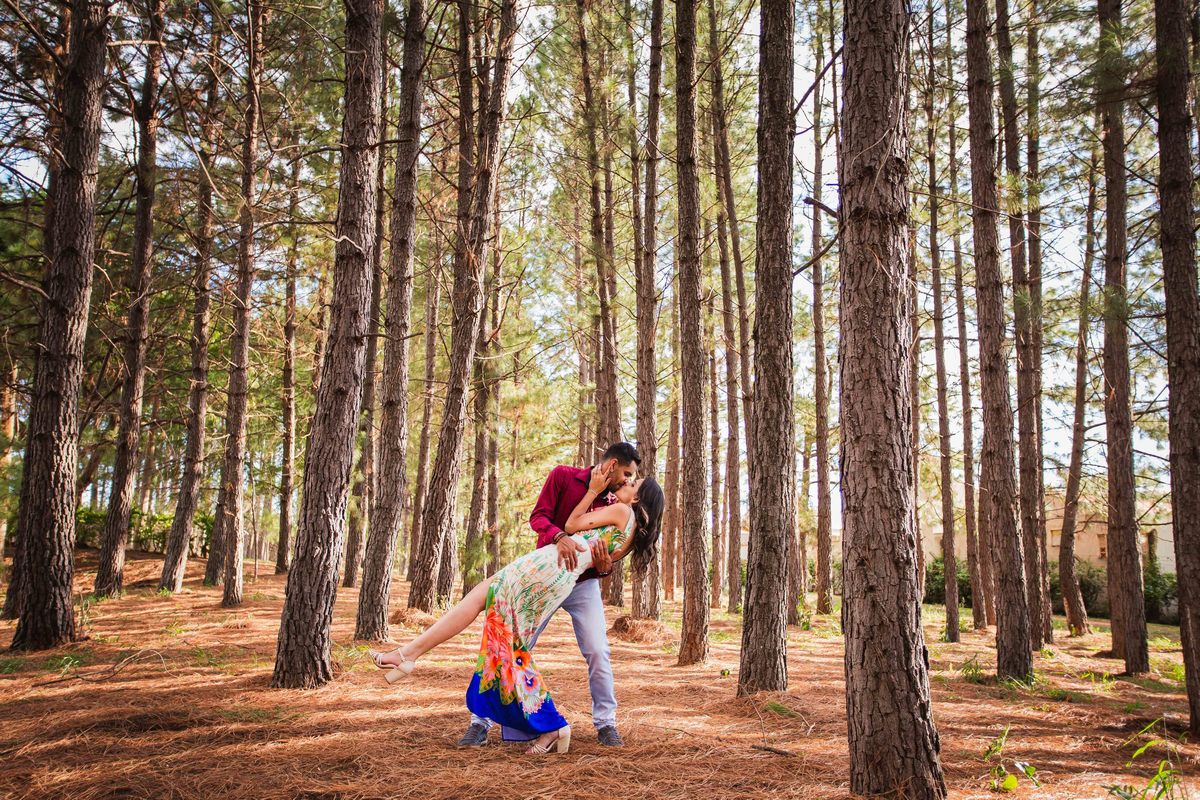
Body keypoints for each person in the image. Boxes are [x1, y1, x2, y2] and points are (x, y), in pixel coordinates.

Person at [371, 450, 663, 755]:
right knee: (507, 640)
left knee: (507, 633)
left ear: (637, 499)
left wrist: (598, 541)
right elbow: (541, 518)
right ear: (614, 465)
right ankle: (489, 716)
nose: (627, 482)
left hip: (556, 574)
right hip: (552, 570)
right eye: (628, 475)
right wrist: (564, 536)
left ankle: (581, 724)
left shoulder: (616, 507)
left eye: (632, 482)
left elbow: (579, 529)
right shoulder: (568, 478)